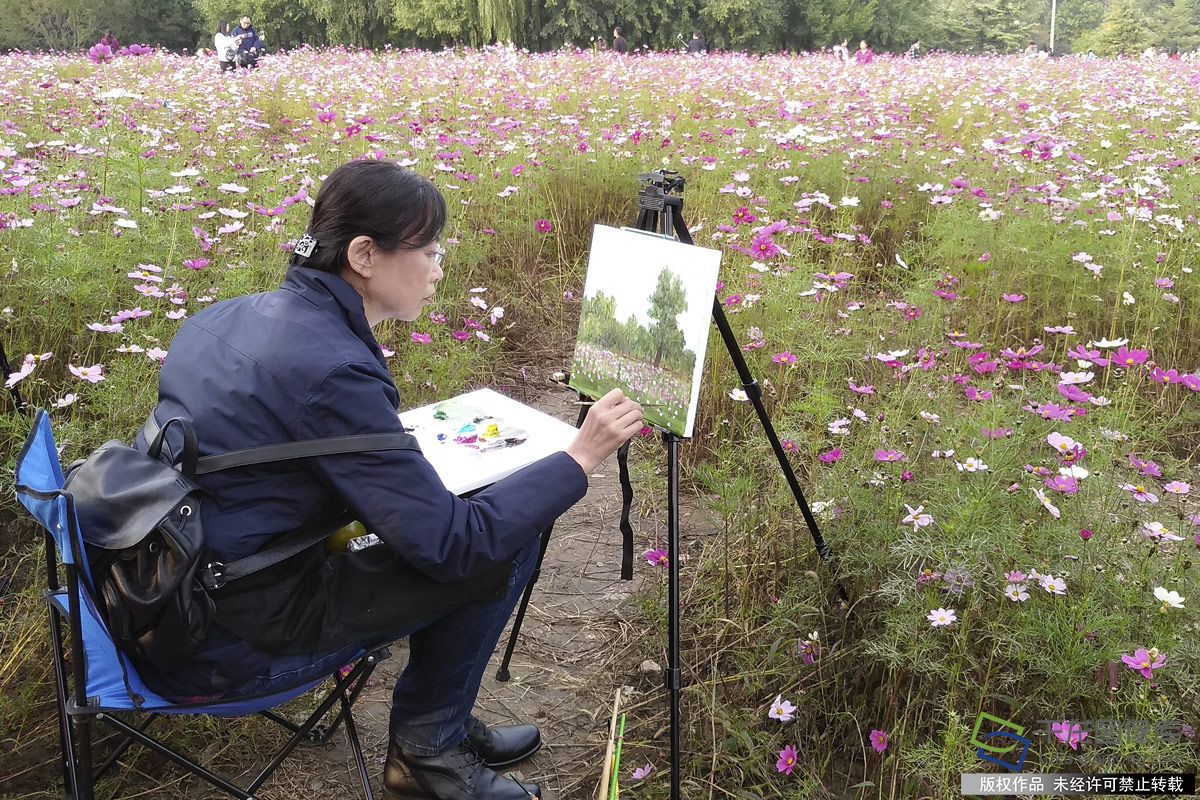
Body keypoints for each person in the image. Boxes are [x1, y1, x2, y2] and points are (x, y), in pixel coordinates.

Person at [134, 160, 643, 800]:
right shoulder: (329, 367)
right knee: (503, 538)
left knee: (467, 510)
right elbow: (452, 545)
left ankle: (444, 719)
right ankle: (428, 755)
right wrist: (580, 457)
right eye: (429, 252)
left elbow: (273, 458)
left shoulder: (227, 317)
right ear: (365, 255)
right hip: (234, 644)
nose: (438, 270)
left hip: (171, 593)